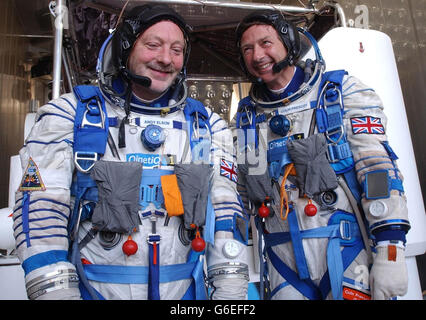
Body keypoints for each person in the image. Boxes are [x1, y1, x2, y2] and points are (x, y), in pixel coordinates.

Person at [12, 4, 249, 300]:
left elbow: (225, 216)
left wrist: (229, 297)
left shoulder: (206, 126)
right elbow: (41, 214)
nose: (166, 59)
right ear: (126, 47)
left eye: (177, 50)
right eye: (153, 45)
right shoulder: (70, 117)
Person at [233, 9, 410, 300]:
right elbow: (243, 190)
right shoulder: (247, 118)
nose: (257, 55)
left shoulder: (339, 93)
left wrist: (391, 247)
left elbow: (377, 170)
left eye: (266, 43)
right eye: (248, 49)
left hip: (345, 249)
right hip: (282, 258)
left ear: (289, 42)